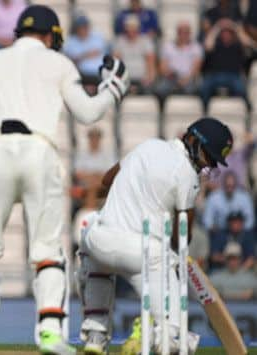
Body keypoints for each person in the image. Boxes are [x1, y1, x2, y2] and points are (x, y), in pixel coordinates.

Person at [0, 5, 130, 354]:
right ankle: (51, 332)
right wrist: (112, 88)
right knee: (47, 253)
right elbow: (86, 114)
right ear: (52, 35)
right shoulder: (59, 63)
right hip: (40, 152)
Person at [78, 118, 233, 354]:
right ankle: (154, 333)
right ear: (192, 139)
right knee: (173, 340)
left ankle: (95, 335)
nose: (206, 165)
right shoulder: (188, 177)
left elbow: (107, 180)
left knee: (90, 234)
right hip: (144, 255)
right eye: (208, 156)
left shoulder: (147, 146)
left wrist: (137, 189)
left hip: (101, 241)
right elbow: (183, 236)